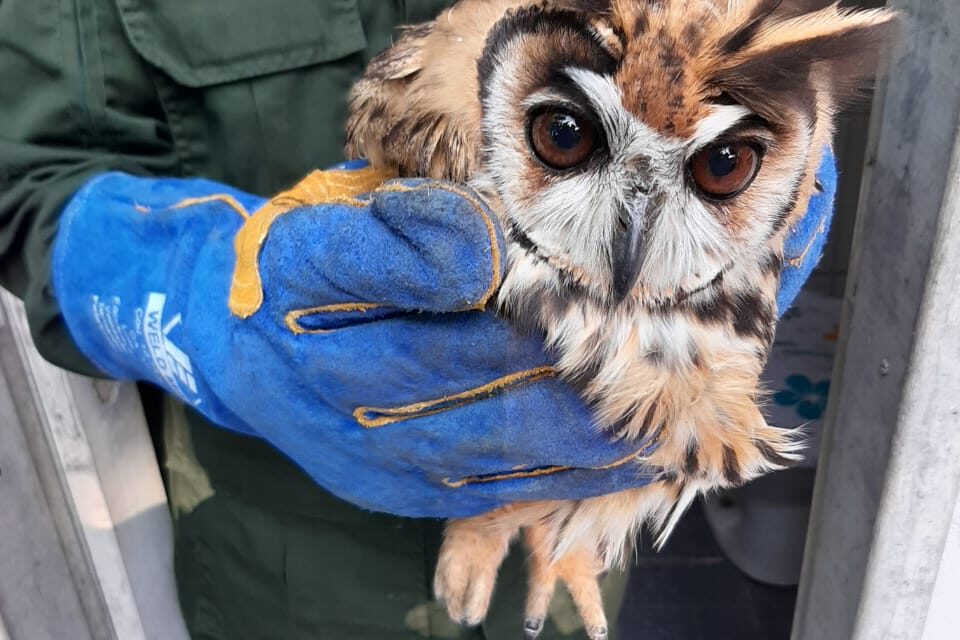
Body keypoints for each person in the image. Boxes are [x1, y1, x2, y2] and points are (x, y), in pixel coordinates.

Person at [0, 2, 835, 639]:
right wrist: (195, 305)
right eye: (564, 135)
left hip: (563, 567)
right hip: (286, 555)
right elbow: (27, 193)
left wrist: (759, 175)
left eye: (727, 164)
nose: (632, 230)